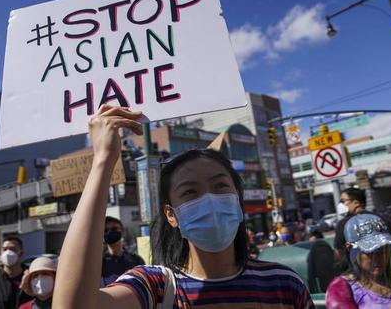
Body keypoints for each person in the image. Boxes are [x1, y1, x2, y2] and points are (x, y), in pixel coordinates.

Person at [53, 105, 314, 309]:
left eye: (221, 186)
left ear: (237, 198)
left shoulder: (284, 283)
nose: (209, 199)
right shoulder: (155, 288)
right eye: (190, 192)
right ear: (171, 214)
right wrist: (103, 160)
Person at [326, 214, 391, 309]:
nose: (378, 258)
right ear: (350, 248)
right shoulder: (341, 288)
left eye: (384, 250)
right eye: (370, 252)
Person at [334, 188, 391, 271]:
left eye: (343, 201)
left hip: (358, 274)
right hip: (387, 270)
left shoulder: (344, 224)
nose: (341, 205)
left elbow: (339, 253)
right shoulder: (383, 220)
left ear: (356, 203)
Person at [101, 216, 145, 286]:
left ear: (123, 232)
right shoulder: (100, 263)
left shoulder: (136, 260)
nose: (110, 232)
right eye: (105, 230)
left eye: (114, 229)